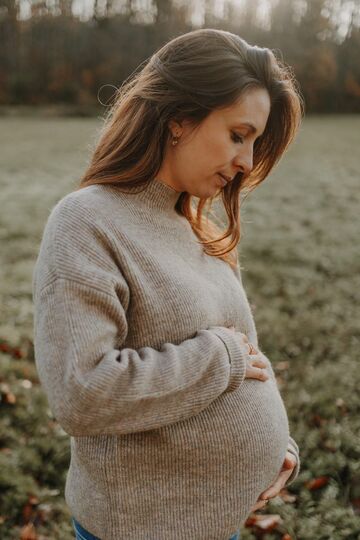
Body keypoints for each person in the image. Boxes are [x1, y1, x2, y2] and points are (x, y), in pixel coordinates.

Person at [32, 28, 303, 540]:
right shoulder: (88, 222)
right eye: (238, 134)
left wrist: (278, 445)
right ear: (180, 119)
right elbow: (81, 392)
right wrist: (218, 358)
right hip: (140, 527)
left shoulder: (202, 230)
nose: (246, 161)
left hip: (216, 522)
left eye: (255, 143)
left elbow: (249, 360)